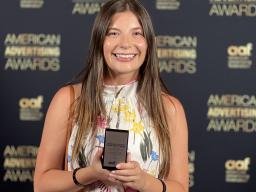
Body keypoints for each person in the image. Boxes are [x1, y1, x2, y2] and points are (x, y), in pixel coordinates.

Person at [34, 0, 188, 191]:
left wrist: (143, 181)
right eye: (113, 33)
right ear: (100, 40)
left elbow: (180, 188)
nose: (125, 44)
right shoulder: (68, 99)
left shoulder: (169, 108)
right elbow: (41, 185)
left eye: (137, 33)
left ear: (148, 42)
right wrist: (90, 173)